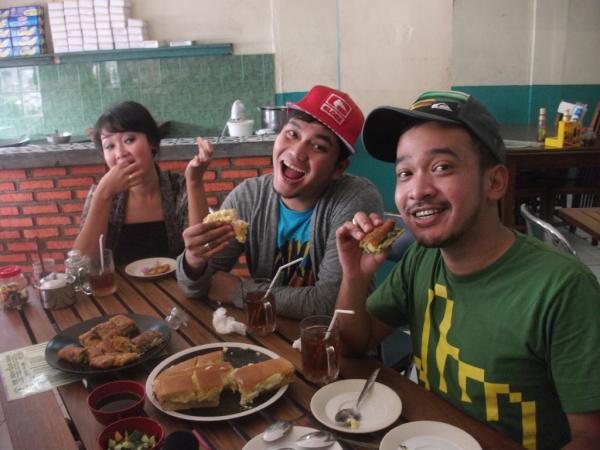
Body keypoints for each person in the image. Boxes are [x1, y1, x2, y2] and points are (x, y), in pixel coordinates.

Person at [334, 90, 600, 449]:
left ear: (495, 182)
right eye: (405, 173)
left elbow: (591, 437)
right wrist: (355, 276)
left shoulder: (562, 288)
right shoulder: (421, 259)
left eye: (442, 167)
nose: (417, 190)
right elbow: (354, 343)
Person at [176, 85, 384, 319]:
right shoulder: (249, 197)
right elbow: (197, 286)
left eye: (318, 146)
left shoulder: (355, 199)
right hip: (267, 330)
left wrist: (240, 291)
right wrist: (194, 261)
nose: (296, 152)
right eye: (292, 134)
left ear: (339, 167)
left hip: (335, 338)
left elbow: (330, 304)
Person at [75, 101, 211, 265]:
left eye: (129, 140)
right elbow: (82, 264)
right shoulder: (102, 192)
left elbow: (201, 253)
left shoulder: (179, 187)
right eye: (110, 146)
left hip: (175, 282)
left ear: (151, 142)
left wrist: (195, 182)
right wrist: (102, 195)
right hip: (117, 283)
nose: (120, 153)